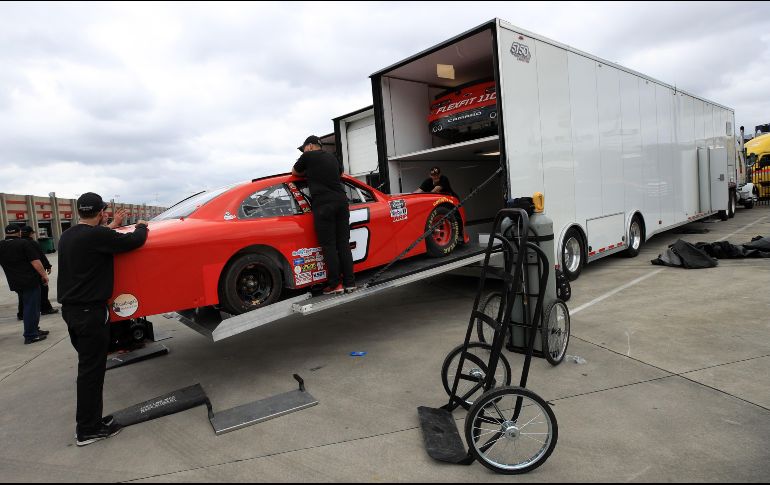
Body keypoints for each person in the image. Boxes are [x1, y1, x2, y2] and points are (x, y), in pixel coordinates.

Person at [57, 193, 148, 447]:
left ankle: (91, 422)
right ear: (100, 213)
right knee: (91, 372)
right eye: (105, 212)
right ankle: (87, 430)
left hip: (73, 312)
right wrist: (141, 225)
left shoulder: (69, 235)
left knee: (90, 368)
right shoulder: (97, 236)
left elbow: (99, 238)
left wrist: (111, 227)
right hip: (89, 313)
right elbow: (135, 241)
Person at [292, 135, 356, 295]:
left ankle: (335, 285)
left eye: (304, 148)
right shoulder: (332, 158)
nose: (303, 151)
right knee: (343, 244)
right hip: (342, 202)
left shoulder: (307, 156)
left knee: (329, 246)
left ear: (311, 146)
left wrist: (309, 173)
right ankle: (350, 283)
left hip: (323, 205)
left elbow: (294, 172)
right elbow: (340, 173)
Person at [0, 224, 49, 344]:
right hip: (30, 281)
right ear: (19, 233)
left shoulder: (1, 245)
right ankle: (31, 335)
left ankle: (34, 330)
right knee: (32, 308)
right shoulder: (24, 243)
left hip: (14, 281)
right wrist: (44, 275)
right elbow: (36, 262)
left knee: (28, 306)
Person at [17, 225, 58, 318]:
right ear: (31, 233)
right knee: (43, 289)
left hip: (22, 273)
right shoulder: (32, 243)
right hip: (36, 271)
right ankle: (45, 309)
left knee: (23, 294)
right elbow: (40, 256)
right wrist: (47, 266)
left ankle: (22, 313)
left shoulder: (18, 243)